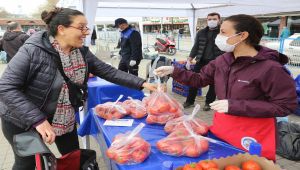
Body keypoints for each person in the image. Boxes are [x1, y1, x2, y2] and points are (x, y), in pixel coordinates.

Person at [0, 7, 155, 170]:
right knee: (27, 163)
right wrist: (38, 120)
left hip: (62, 118)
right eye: (81, 27)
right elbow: (6, 87)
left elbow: (108, 71)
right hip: (21, 119)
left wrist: (142, 83)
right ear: (61, 29)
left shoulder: (81, 52)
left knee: (73, 156)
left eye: (86, 27)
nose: (86, 32)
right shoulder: (33, 49)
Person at [154, 14, 297, 161]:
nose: (218, 36)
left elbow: (285, 105)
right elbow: (200, 79)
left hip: (253, 132)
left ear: (242, 35)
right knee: (221, 161)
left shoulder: (270, 68)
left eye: (223, 32)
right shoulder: (223, 60)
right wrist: (174, 71)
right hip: (223, 125)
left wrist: (234, 105)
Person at [183, 12, 224, 110]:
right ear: (207, 20)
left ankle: (209, 103)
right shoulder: (201, 32)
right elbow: (196, 47)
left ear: (219, 20)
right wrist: (189, 59)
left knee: (213, 84)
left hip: (216, 62)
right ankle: (189, 101)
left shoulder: (222, 33)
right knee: (195, 81)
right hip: (201, 61)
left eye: (214, 19)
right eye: (209, 19)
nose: (212, 21)